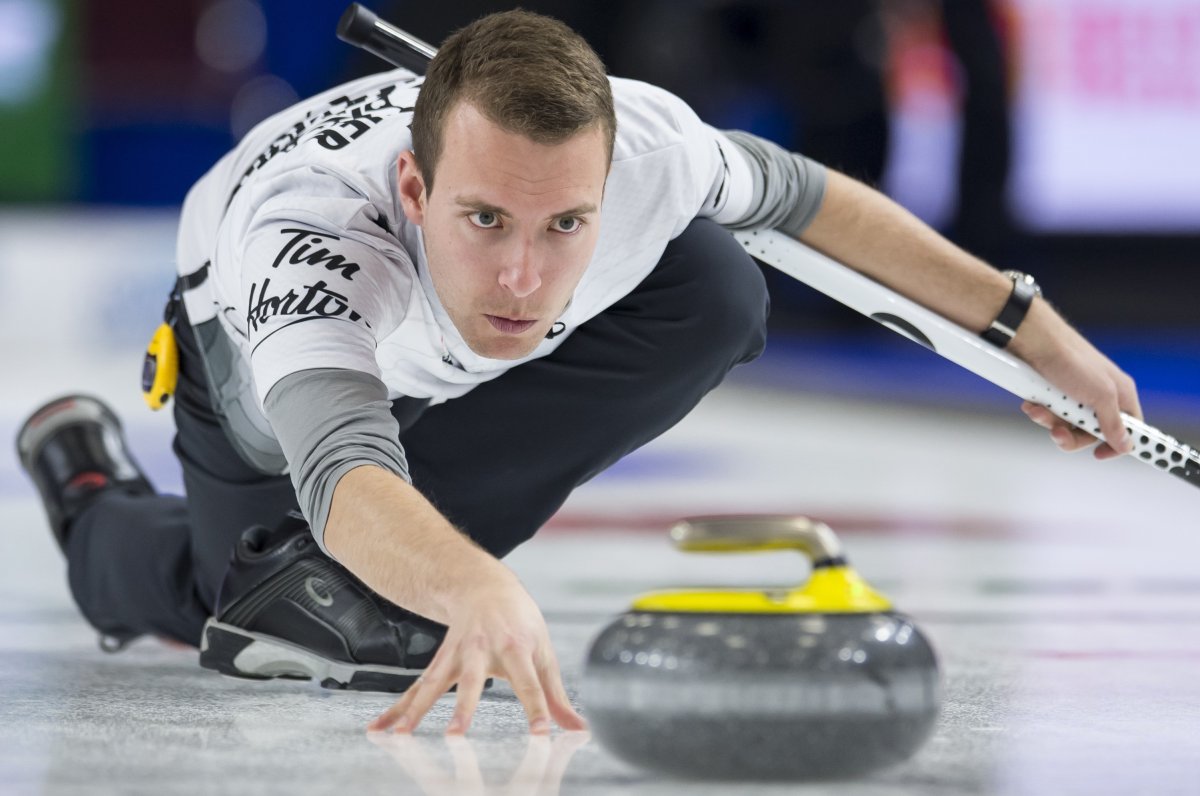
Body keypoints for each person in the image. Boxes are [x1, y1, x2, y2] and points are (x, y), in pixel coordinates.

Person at [16, 10, 1140, 737]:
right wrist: (477, 586)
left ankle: (359, 572)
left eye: (566, 223)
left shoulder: (655, 146)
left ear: (611, 176)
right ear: (414, 192)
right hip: (256, 388)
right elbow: (340, 469)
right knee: (256, 595)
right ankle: (85, 496)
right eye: (484, 217)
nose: (520, 273)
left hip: (428, 370)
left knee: (716, 283)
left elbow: (819, 207)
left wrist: (1035, 332)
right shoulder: (313, 246)